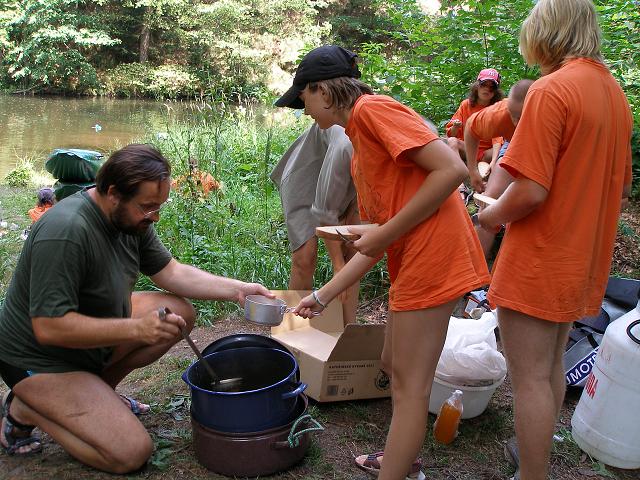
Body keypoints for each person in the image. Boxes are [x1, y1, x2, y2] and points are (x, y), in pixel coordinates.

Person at [276, 45, 490, 480]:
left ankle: (399, 468)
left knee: (411, 386)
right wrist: (322, 295)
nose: (303, 106)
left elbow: (451, 169)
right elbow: (379, 239)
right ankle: (401, 453)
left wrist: (383, 232)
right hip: (413, 257)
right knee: (393, 364)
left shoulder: (372, 110)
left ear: (322, 89)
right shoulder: (357, 140)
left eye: (304, 96)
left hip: (436, 257)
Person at [0, 144, 272, 472]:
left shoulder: (130, 219)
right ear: (113, 193)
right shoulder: (65, 232)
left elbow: (171, 272)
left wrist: (238, 290)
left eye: (159, 206)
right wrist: (136, 329)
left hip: (88, 340)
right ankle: (27, 407)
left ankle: (98, 393)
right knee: (131, 452)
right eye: (148, 207)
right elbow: (49, 327)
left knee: (179, 313)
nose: (154, 216)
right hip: (40, 360)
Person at [473, 1, 633, 479]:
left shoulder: (551, 89)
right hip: (583, 259)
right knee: (547, 373)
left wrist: (491, 215)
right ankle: (534, 459)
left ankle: (532, 474)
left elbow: (530, 190)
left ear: (547, 35)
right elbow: (621, 189)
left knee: (530, 382)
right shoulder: (614, 94)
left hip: (541, 260)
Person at [270, 122, 360, 325]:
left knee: (352, 256)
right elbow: (324, 213)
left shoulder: (395, 146)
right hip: (305, 174)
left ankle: (348, 334)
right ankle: (295, 332)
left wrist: (344, 266)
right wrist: (338, 267)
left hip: (345, 180)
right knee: (305, 258)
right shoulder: (345, 146)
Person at [464, 79, 535, 256]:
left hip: (543, 148)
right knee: (489, 202)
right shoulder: (501, 112)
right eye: (513, 116)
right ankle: (476, 272)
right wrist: (473, 170)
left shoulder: (556, 113)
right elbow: (471, 130)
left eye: (522, 117)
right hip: (513, 146)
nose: (516, 122)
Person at [445, 68, 505, 168]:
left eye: (492, 87)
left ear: (496, 91)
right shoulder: (465, 105)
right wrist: (455, 127)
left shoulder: (497, 108)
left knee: (507, 150)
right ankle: (459, 174)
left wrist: (493, 162)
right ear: (477, 86)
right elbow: (451, 134)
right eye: (484, 85)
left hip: (486, 154)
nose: (487, 89)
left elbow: (497, 140)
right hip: (468, 149)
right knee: (451, 141)